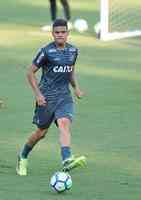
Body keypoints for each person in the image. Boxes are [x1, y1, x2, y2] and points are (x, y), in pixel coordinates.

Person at [16, 19, 86, 176]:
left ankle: (67, 159)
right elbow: (30, 72)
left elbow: (70, 71)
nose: (60, 35)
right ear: (53, 34)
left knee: (64, 124)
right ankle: (23, 155)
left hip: (64, 96)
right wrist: (38, 94)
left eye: (63, 32)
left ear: (68, 33)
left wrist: (76, 88)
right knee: (41, 133)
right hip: (46, 98)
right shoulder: (46, 51)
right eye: (57, 32)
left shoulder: (73, 51)